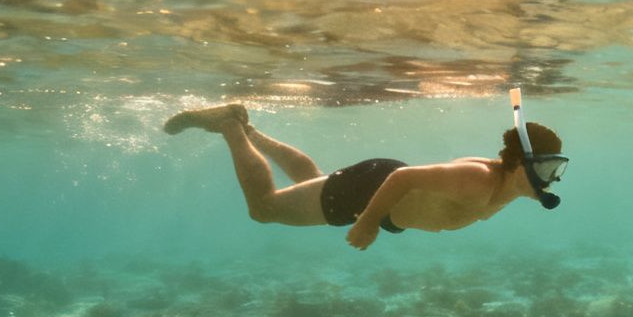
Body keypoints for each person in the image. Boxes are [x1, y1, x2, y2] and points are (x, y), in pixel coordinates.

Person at [162, 100, 567, 250]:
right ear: (521, 164)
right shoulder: (478, 180)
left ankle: (248, 132)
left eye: (556, 169)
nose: (552, 179)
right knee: (264, 209)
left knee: (314, 180)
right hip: (373, 192)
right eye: (548, 168)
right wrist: (369, 223)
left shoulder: (507, 181)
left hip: (378, 193)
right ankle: (230, 125)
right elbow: (403, 181)